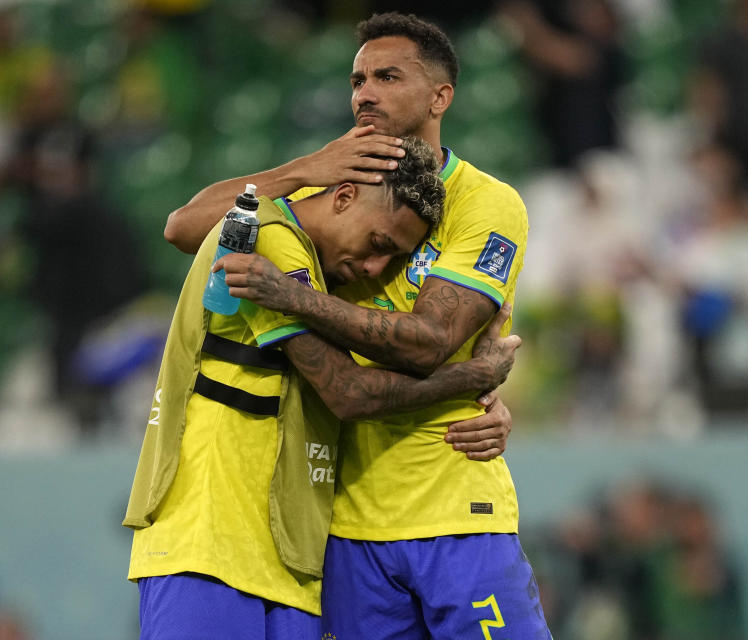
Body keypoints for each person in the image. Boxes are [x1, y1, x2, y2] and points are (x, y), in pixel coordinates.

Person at [164, 12, 552, 639]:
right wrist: (303, 169)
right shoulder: (329, 188)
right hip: (343, 525)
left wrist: (468, 379)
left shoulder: (483, 201)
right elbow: (186, 228)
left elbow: (429, 343)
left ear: (440, 96)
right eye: (357, 79)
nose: (364, 93)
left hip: (453, 503)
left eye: (387, 76)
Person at [124, 135, 522, 640]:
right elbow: (350, 392)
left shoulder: (324, 279)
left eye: (393, 260)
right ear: (342, 197)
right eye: (379, 245)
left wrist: (485, 401)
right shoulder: (264, 237)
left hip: (291, 562)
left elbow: (377, 362)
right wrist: (474, 376)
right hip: (206, 544)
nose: (375, 269)